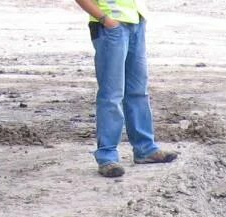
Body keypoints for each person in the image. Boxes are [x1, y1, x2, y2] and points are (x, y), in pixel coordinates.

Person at [74, 0, 178, 178]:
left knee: (138, 91)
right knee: (111, 94)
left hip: (135, 22)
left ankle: (145, 149)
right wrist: (106, 20)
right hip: (110, 26)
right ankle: (107, 157)